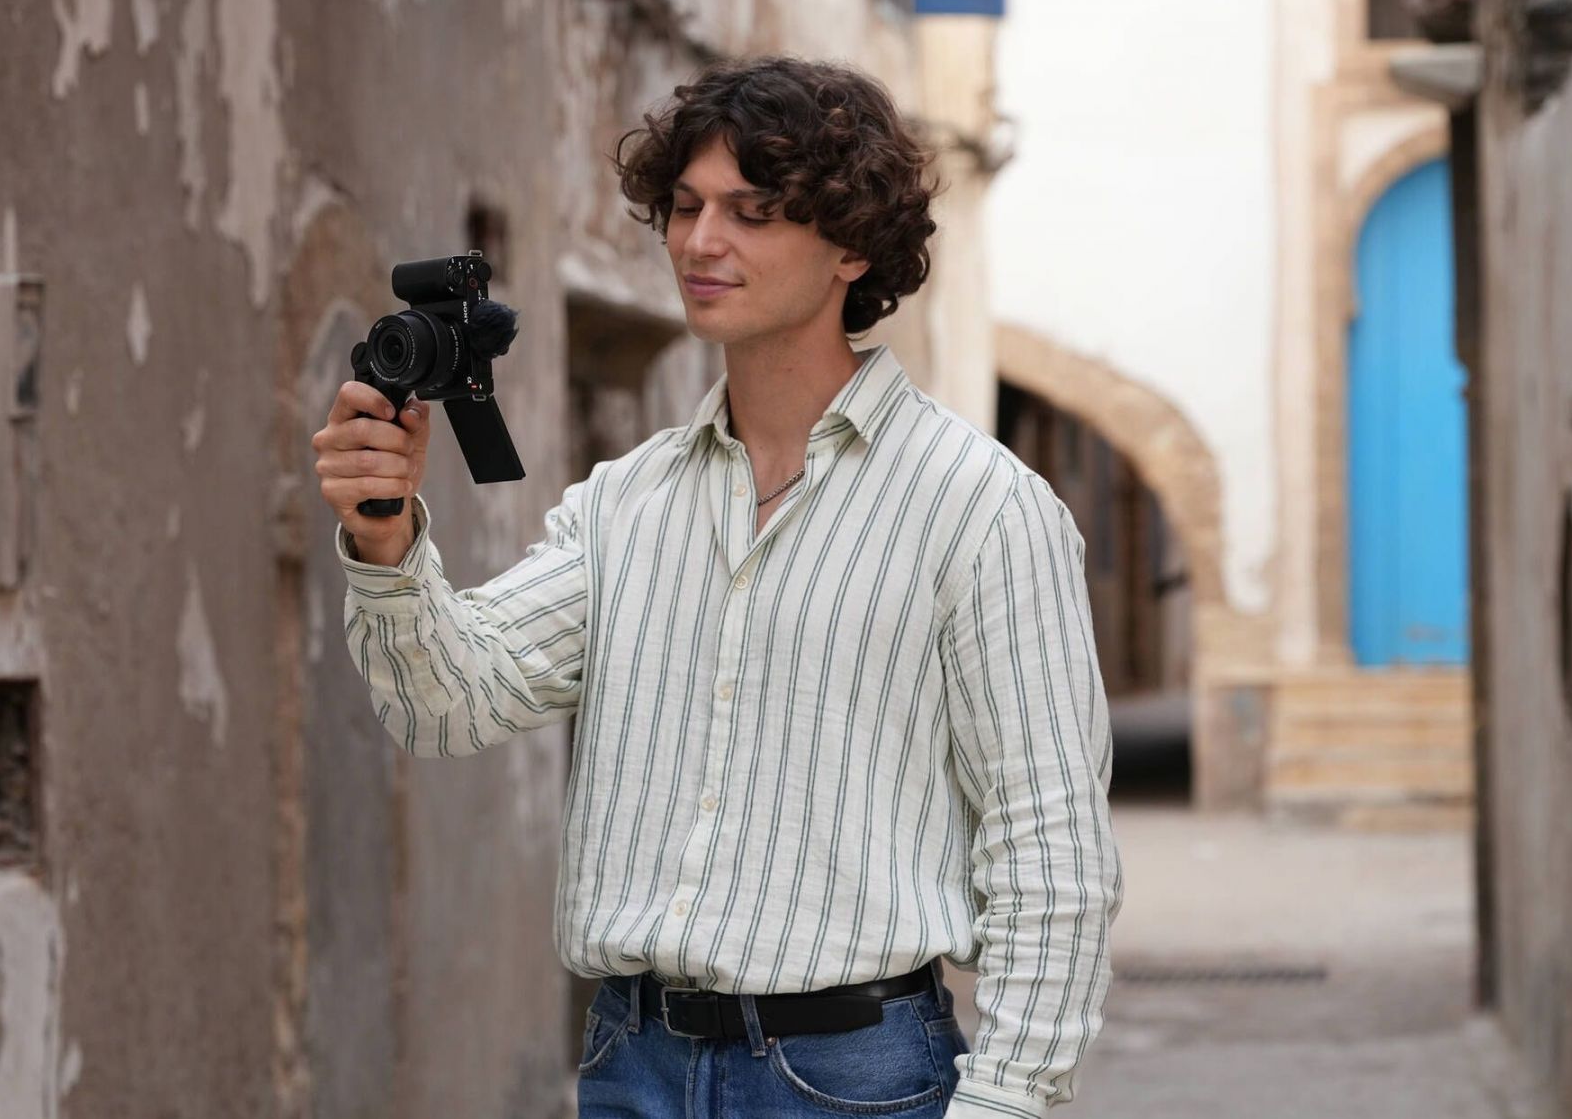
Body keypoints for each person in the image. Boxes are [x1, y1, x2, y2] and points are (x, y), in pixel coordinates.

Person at [312, 55, 1122, 1119]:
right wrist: (383, 537)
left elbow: (1050, 850)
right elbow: (449, 706)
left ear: (851, 247)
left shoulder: (983, 509)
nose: (700, 241)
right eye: (687, 207)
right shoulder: (625, 502)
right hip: (632, 1065)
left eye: (752, 212)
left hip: (855, 1080)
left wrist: (1007, 1101)